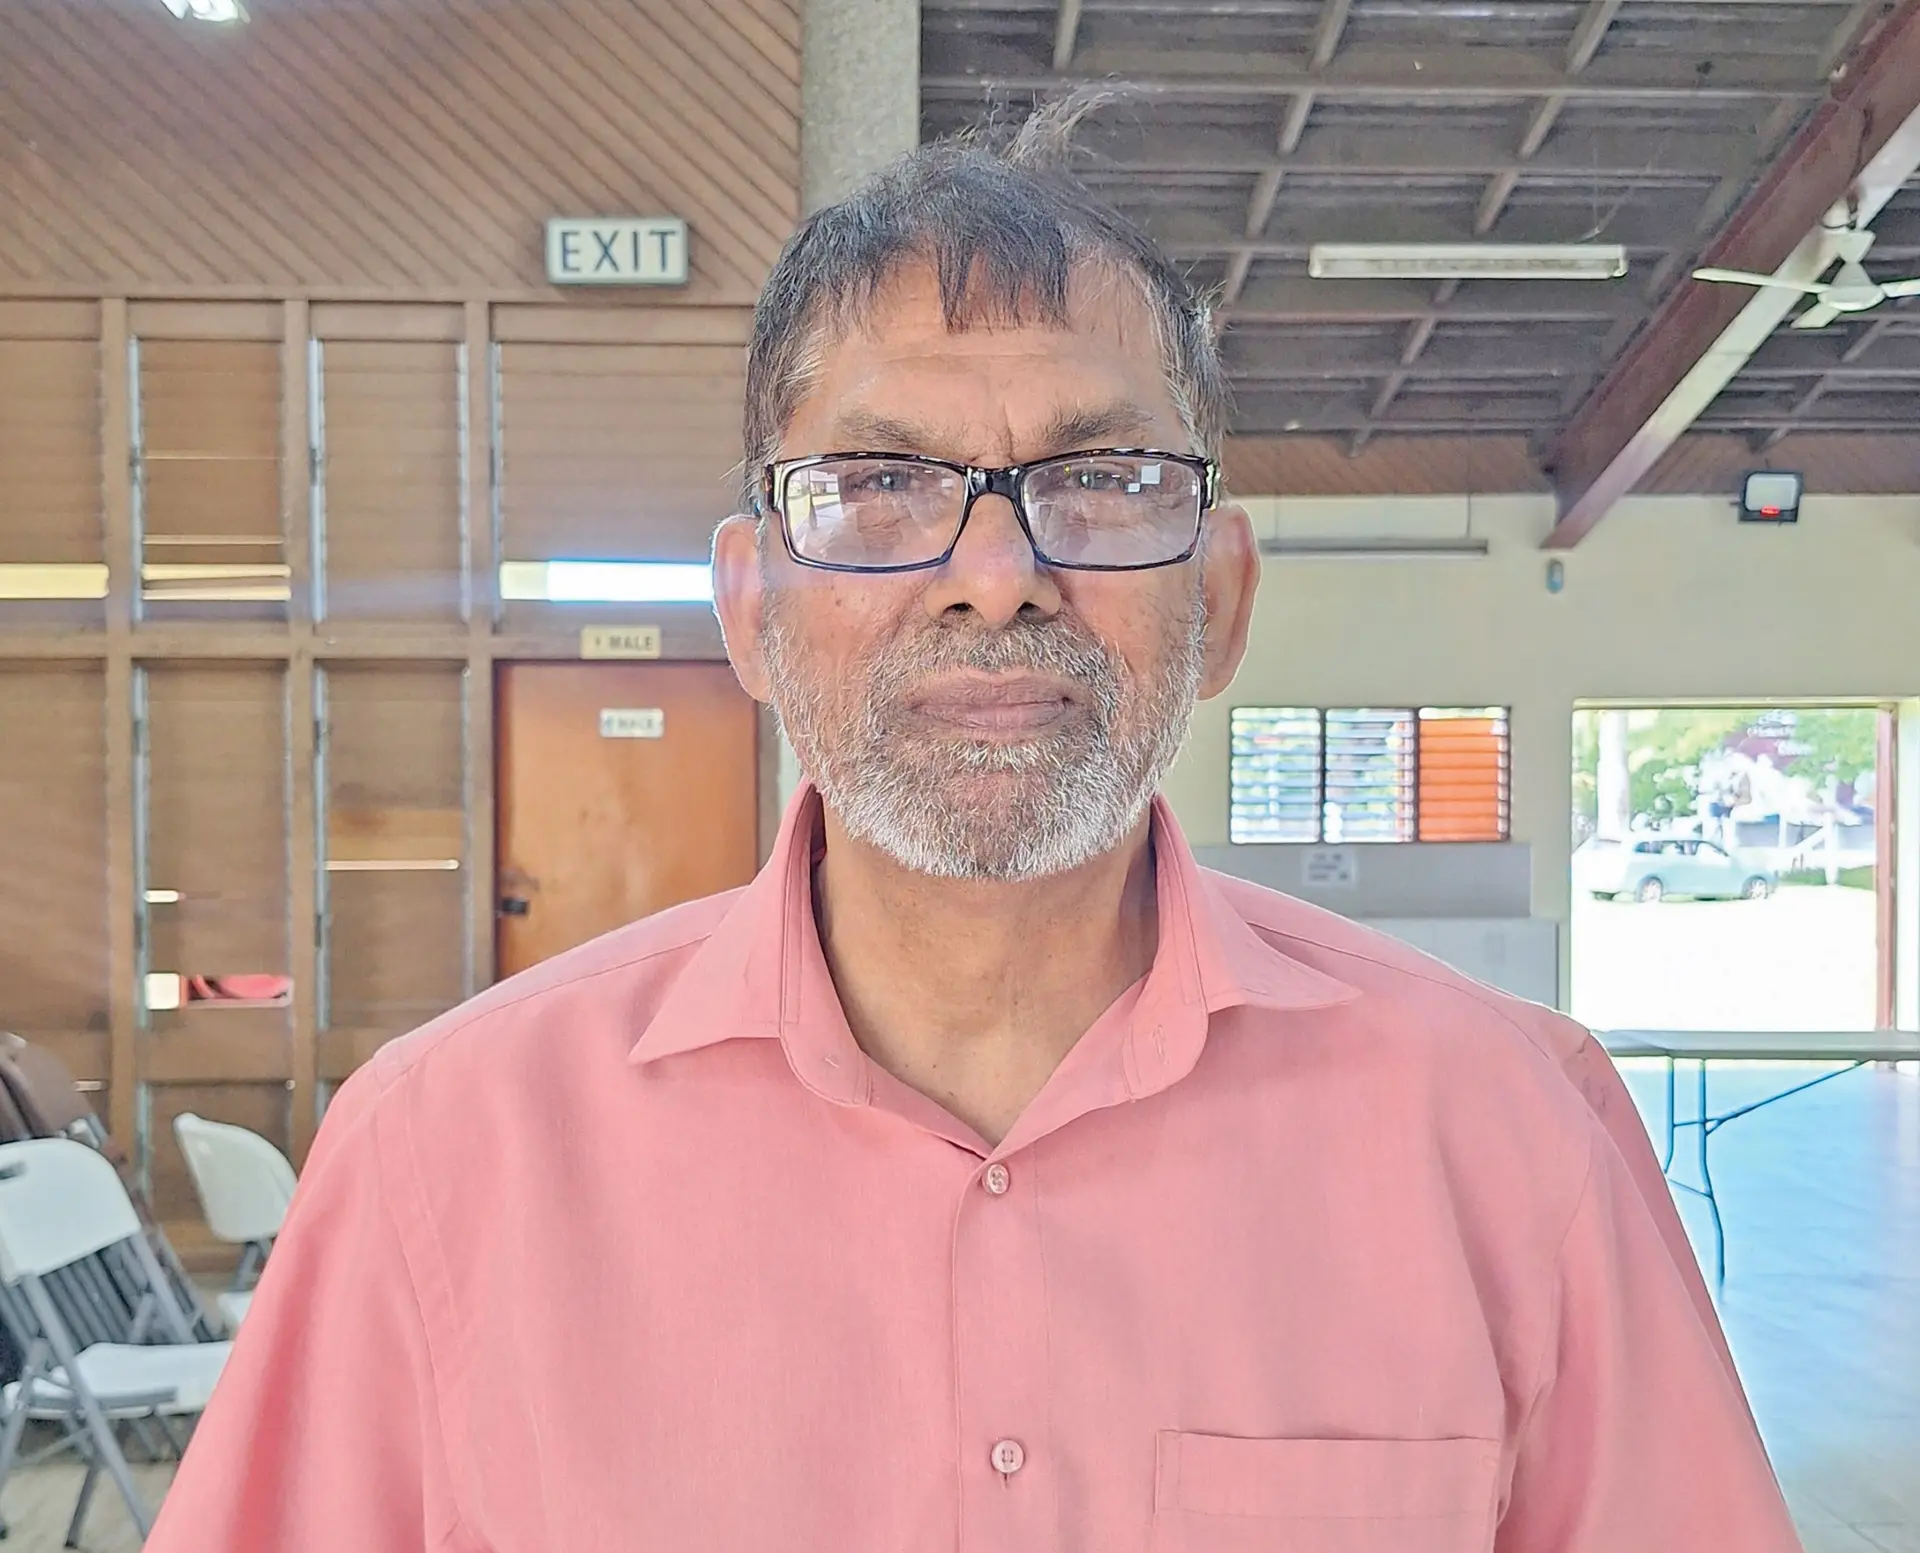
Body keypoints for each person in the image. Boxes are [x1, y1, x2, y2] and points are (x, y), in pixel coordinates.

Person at [148, 105, 1803, 1553]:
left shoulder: (1509, 1133)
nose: (996, 572)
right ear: (749, 610)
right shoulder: (447, 1161)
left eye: (1101, 483)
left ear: (1219, 605)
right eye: (878, 486)